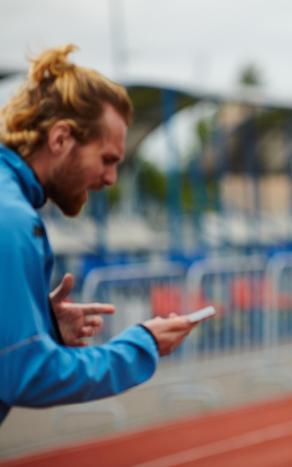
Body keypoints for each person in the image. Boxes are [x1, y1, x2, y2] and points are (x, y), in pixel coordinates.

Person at [0, 44, 199, 424]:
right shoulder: (11, 217)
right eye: (107, 159)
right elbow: (28, 375)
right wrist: (143, 345)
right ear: (60, 139)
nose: (110, 179)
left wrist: (41, 325)